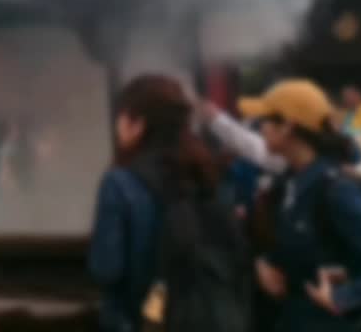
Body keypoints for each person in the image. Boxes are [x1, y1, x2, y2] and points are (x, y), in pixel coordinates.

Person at [242, 80, 361, 332]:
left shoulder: (335, 190)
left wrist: (344, 297)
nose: (260, 126)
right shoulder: (286, 183)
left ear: (288, 126)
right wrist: (263, 265)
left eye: (266, 119)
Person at [89, 75, 248, 332]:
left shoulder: (119, 183)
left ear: (137, 124)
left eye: (121, 117)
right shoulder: (205, 173)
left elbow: (106, 269)